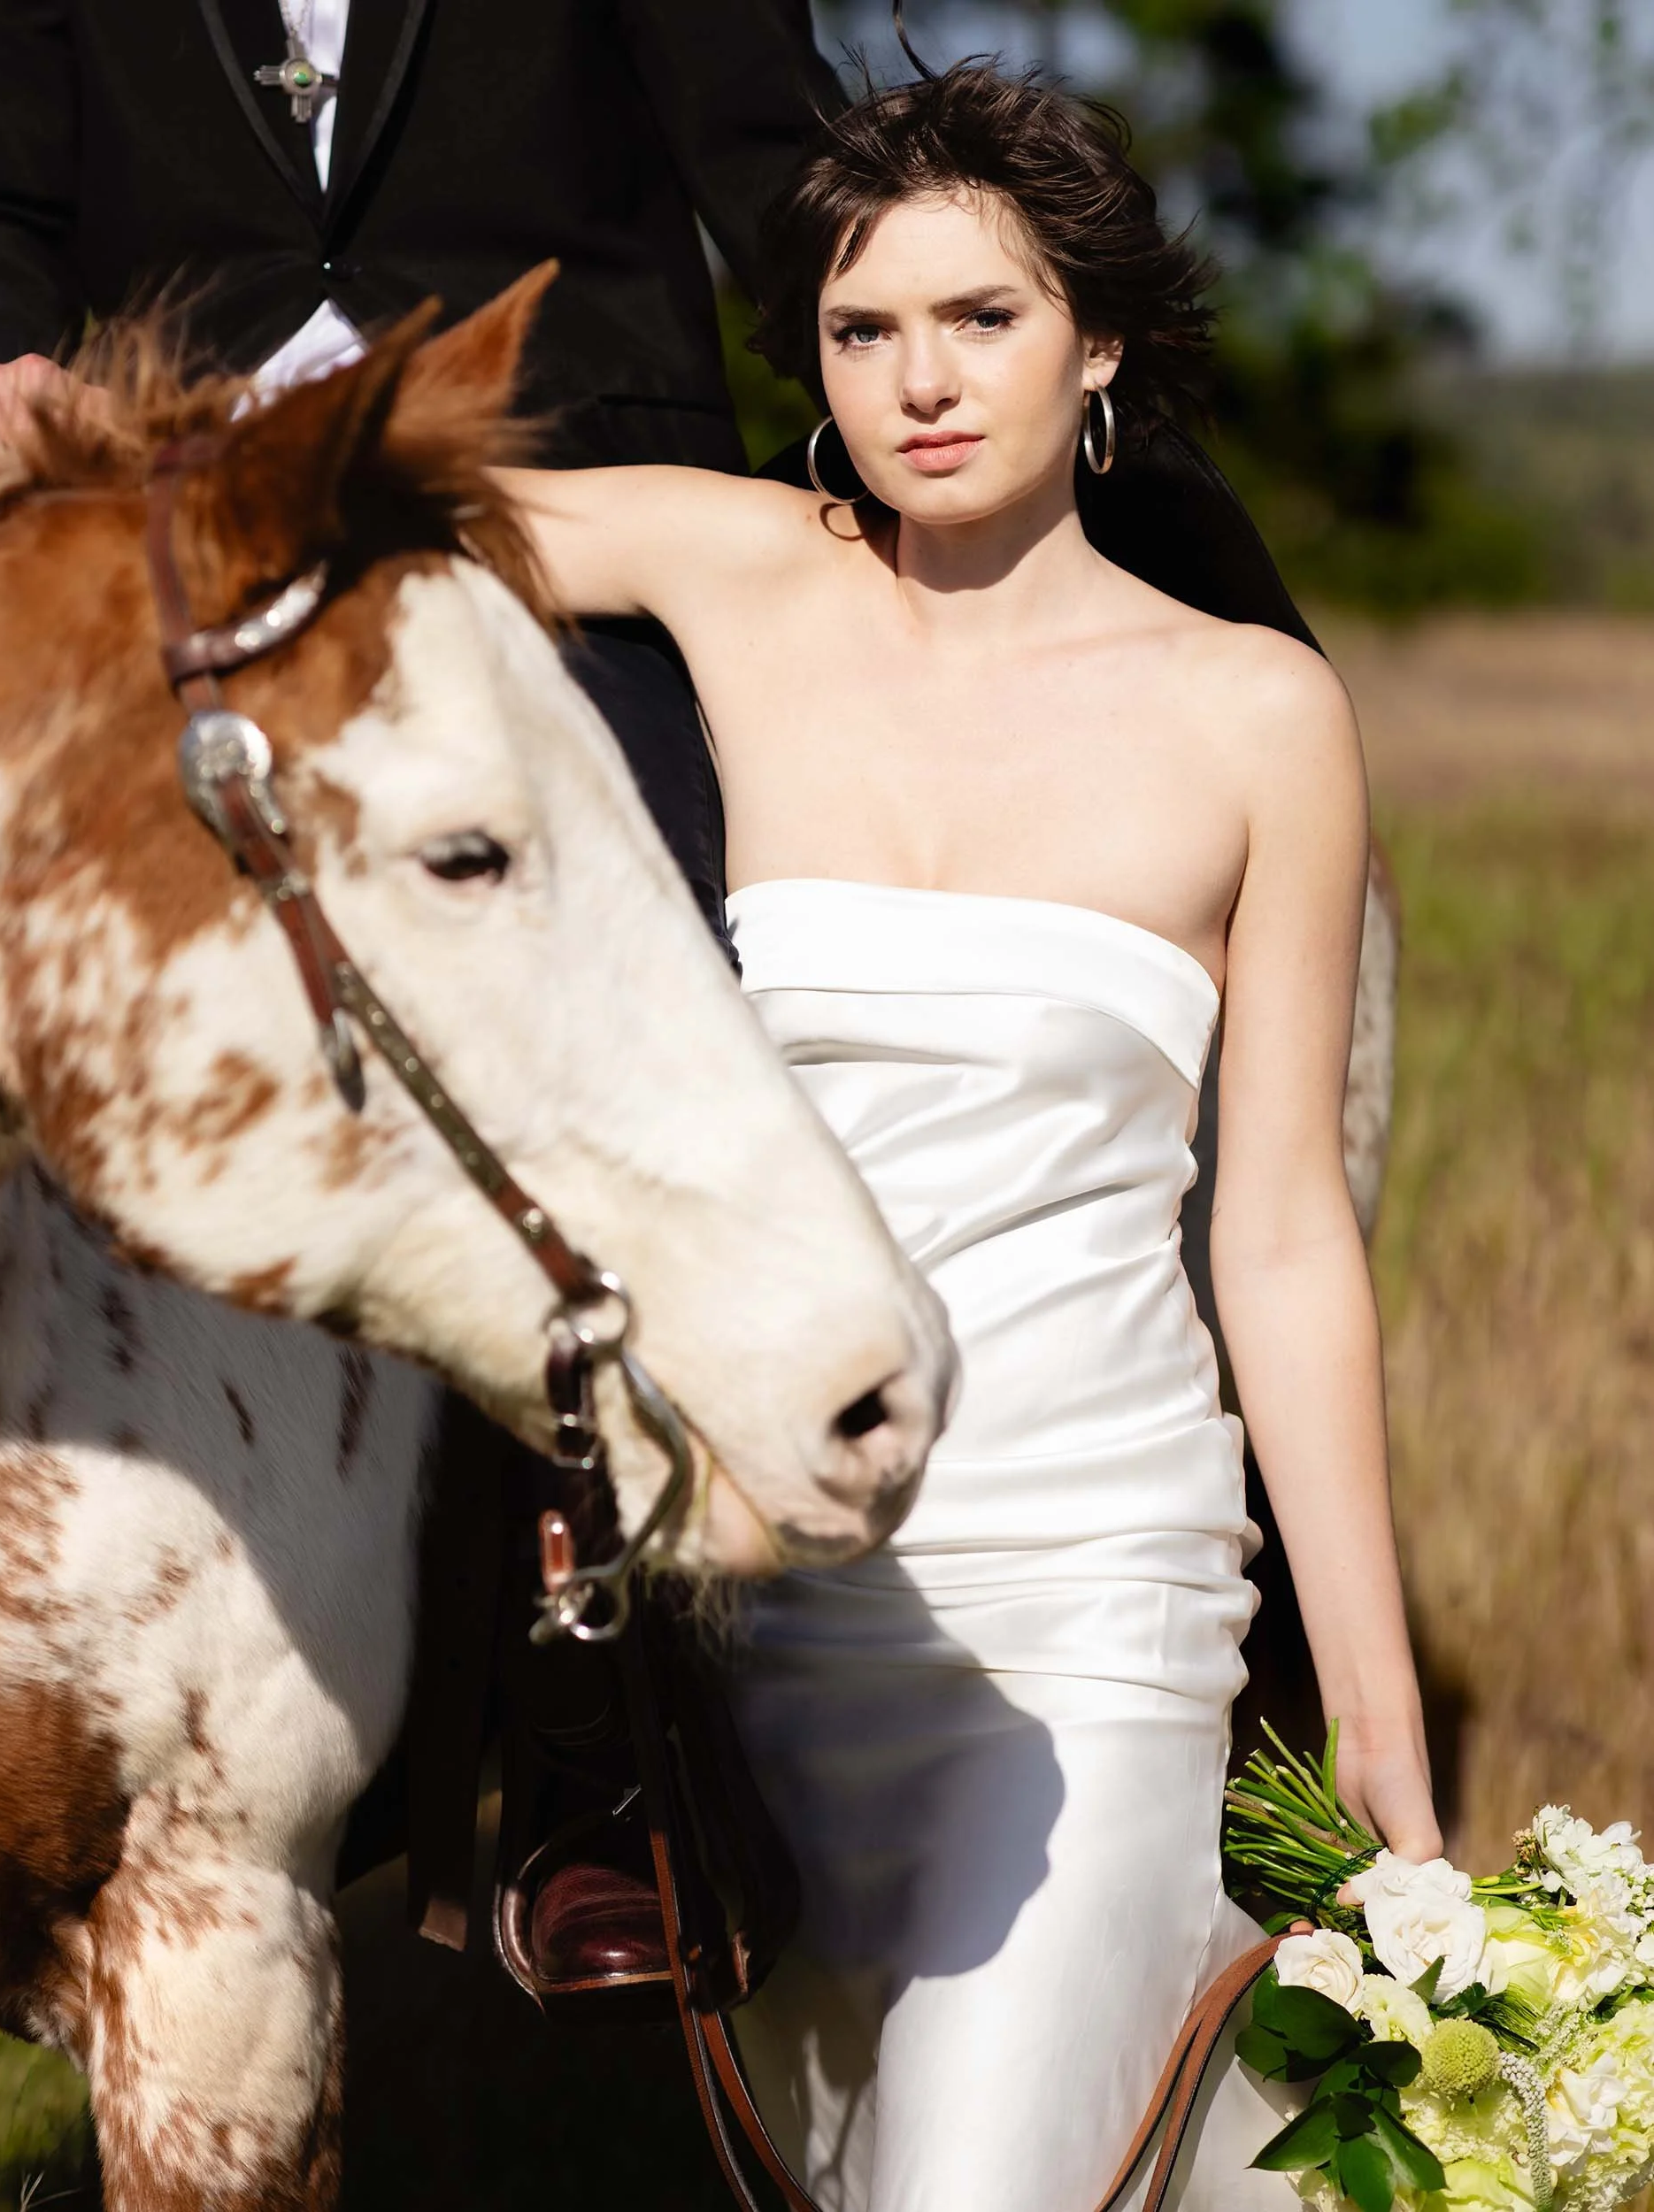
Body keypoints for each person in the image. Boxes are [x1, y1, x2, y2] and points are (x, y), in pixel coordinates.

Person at [496, 58, 1442, 2212]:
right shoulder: (736, 573)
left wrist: (1371, 1710)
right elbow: (358, 509)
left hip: (1092, 1609)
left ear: (1093, 341)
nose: (917, 384)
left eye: (980, 320)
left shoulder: (1252, 716)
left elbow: (1279, 1235)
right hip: (759, 1620)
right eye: (859, 331)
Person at [0, 0, 838, 938]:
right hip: (184, 525)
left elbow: (777, 165)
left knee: (627, 939)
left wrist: (907, 404)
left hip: (560, 525)